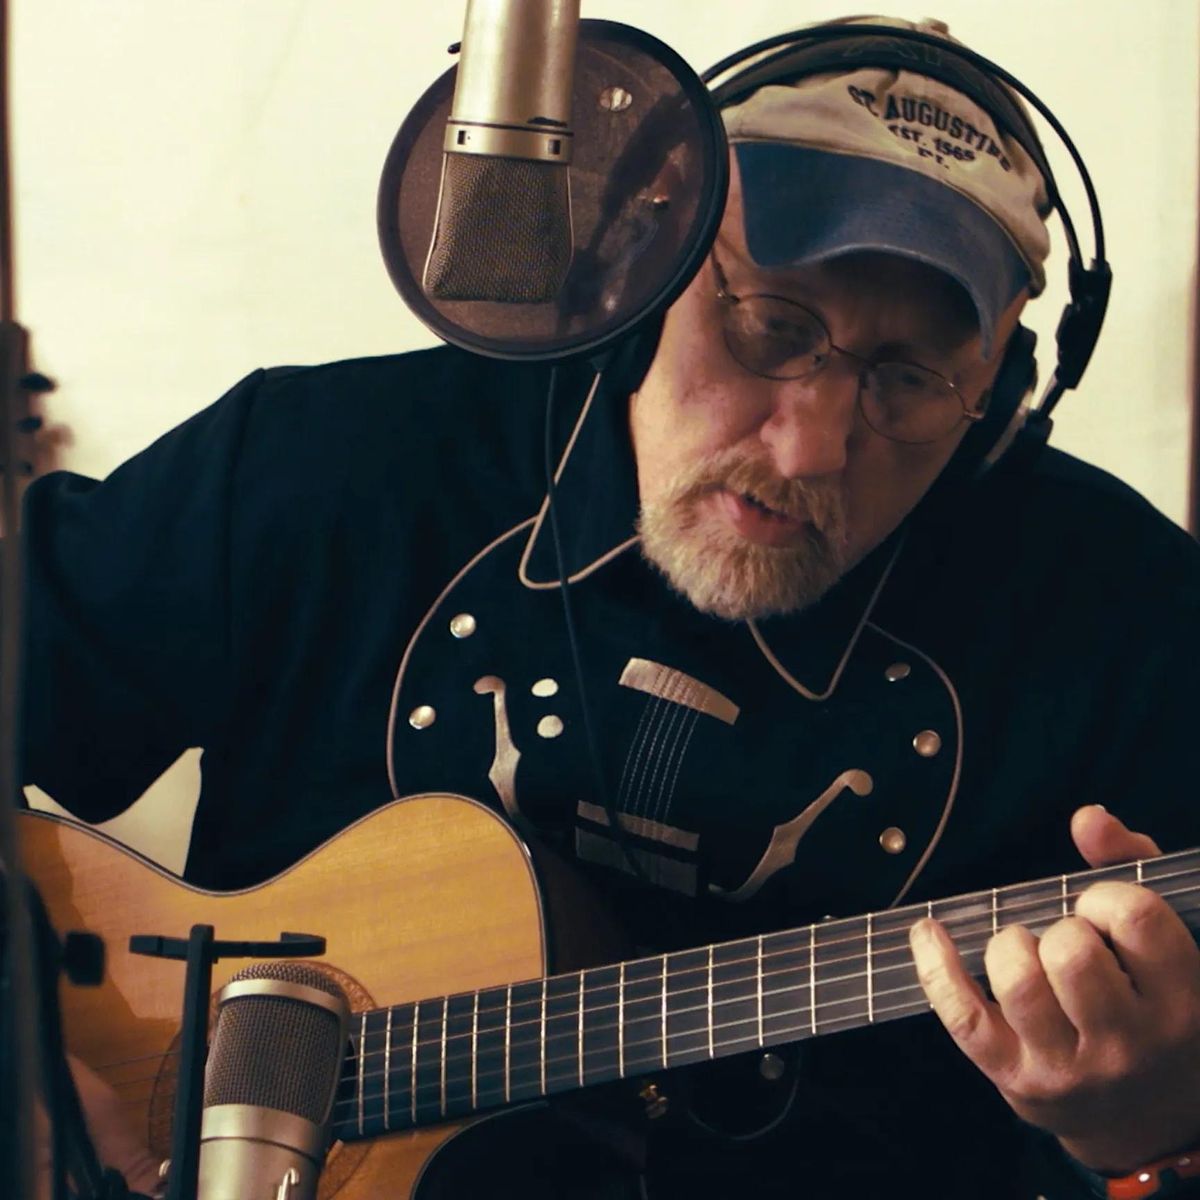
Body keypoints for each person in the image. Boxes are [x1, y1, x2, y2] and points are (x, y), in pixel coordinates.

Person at [18, 13, 1200, 1200]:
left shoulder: (1128, 618)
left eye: (910, 379)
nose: (812, 445)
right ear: (637, 268)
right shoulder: (323, 470)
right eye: (771, 328)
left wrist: (1144, 1127)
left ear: (1000, 386)